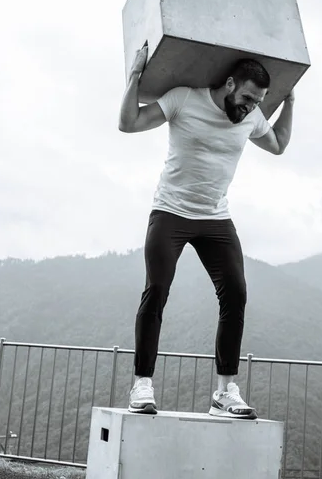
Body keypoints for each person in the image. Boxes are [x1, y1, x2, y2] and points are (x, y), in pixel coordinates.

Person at [119, 44, 295, 419]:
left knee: (236, 293)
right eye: (247, 97)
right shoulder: (184, 99)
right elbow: (129, 122)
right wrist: (135, 76)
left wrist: (290, 102)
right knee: (157, 291)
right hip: (171, 211)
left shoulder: (250, 118)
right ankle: (142, 383)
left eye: (258, 101)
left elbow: (277, 145)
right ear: (230, 84)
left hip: (216, 218)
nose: (250, 106)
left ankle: (223, 392)